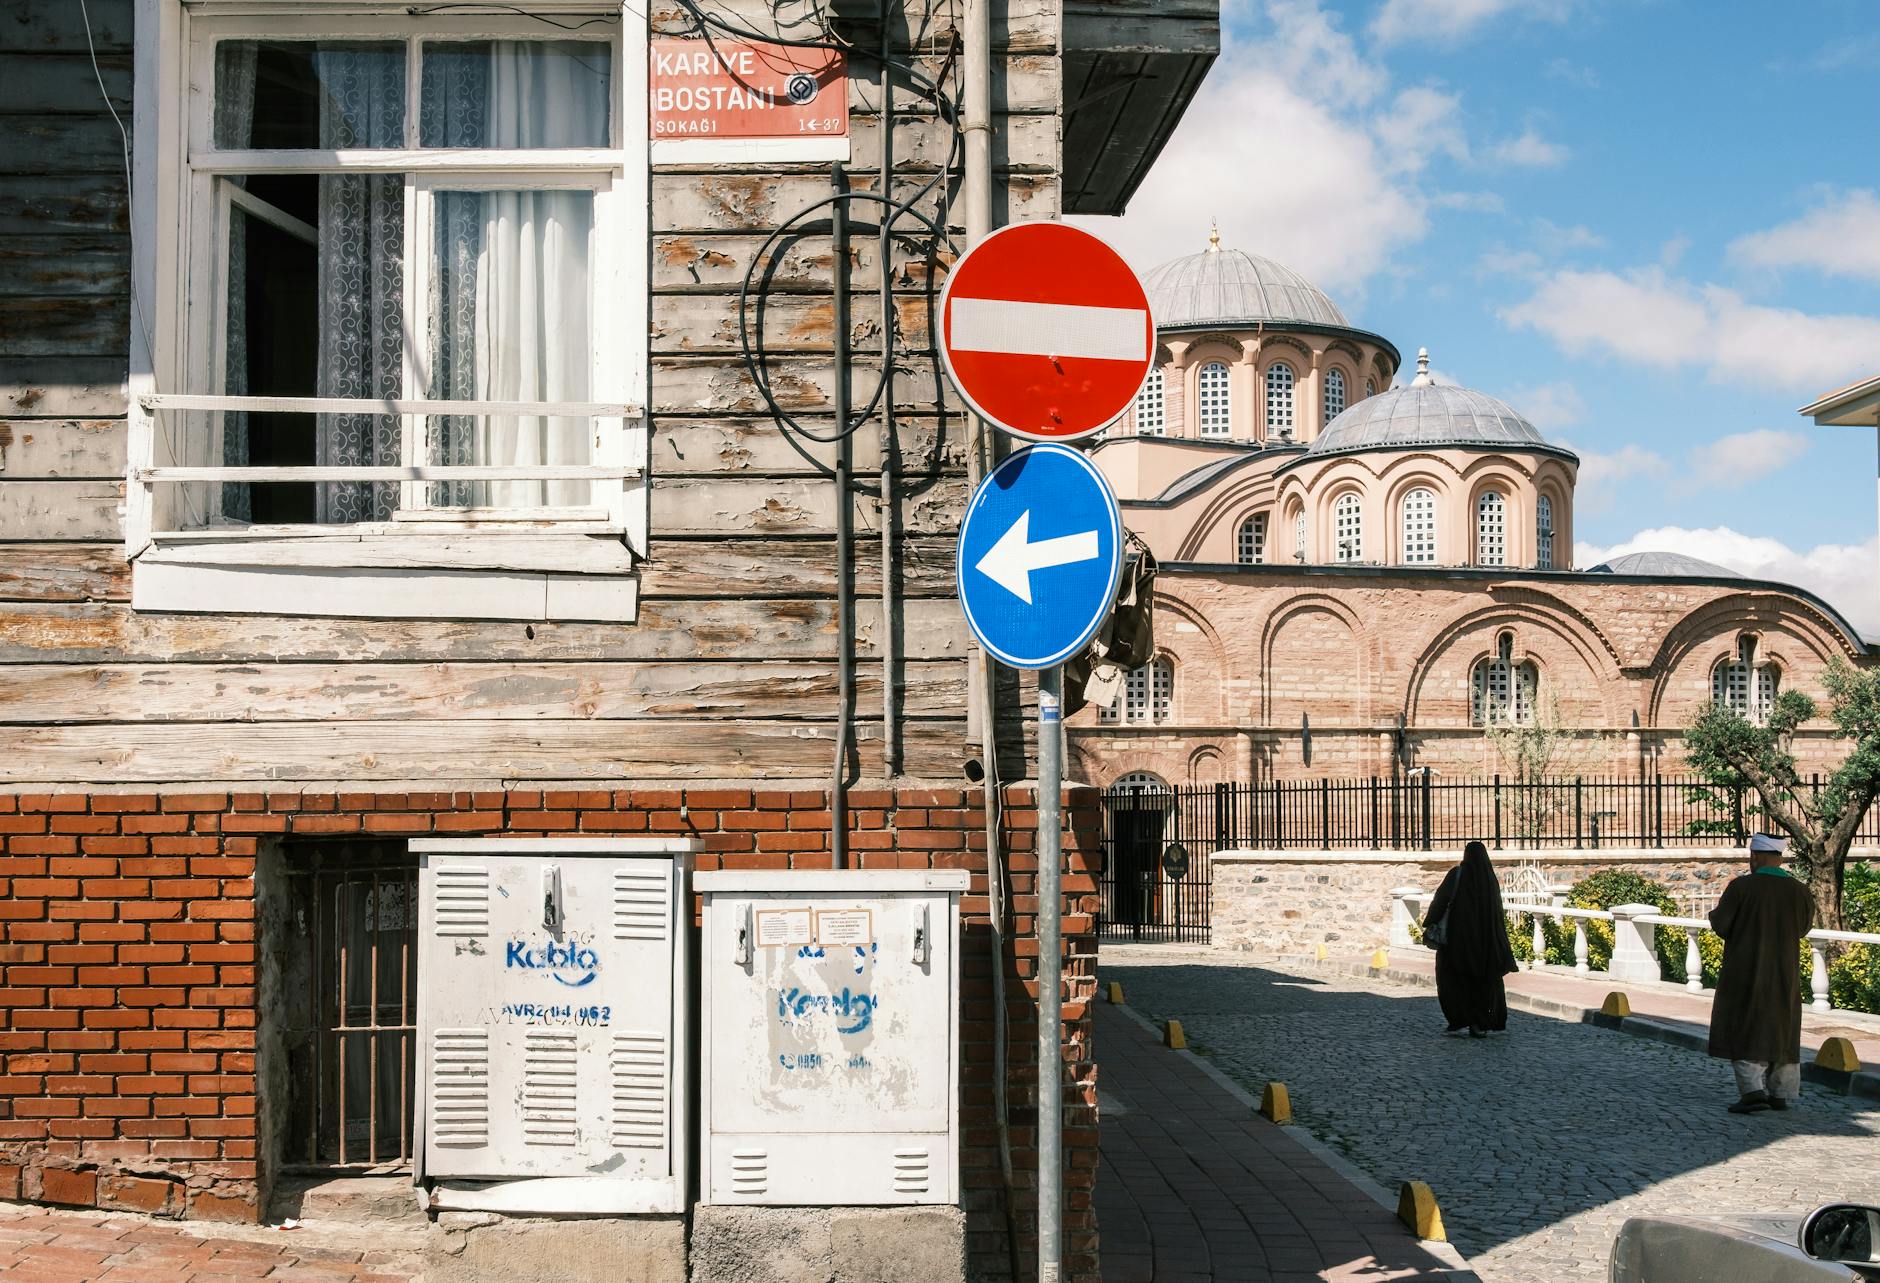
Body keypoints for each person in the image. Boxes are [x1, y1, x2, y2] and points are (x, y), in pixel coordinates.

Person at [1708, 832, 1816, 1113]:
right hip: (1784, 971)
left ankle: (1753, 1092)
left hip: (1745, 970)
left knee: (1745, 1025)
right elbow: (1803, 928)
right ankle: (1780, 1093)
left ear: (1754, 856)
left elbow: (1722, 924)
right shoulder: (1800, 891)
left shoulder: (1741, 888)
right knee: (1782, 1027)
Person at [1422, 840, 1519, 1037]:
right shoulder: (1489, 880)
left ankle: (1459, 1018)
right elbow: (1497, 914)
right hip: (1485, 943)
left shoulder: (1457, 875)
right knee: (1483, 982)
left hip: (1456, 942)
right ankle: (1480, 1022)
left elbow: (1440, 900)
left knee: (1453, 979)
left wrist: (1430, 921)